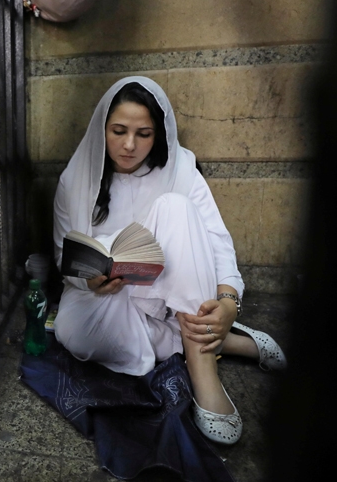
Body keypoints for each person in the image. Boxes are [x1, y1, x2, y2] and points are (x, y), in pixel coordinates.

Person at [52, 76, 286, 445]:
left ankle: (203, 370)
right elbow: (65, 257)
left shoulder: (180, 171)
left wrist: (228, 301)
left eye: (143, 133)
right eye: (118, 131)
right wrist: (90, 280)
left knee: (174, 208)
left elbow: (217, 242)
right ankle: (217, 341)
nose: (129, 145)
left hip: (168, 299)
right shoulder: (74, 180)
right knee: (74, 334)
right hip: (111, 299)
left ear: (158, 134)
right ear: (102, 128)